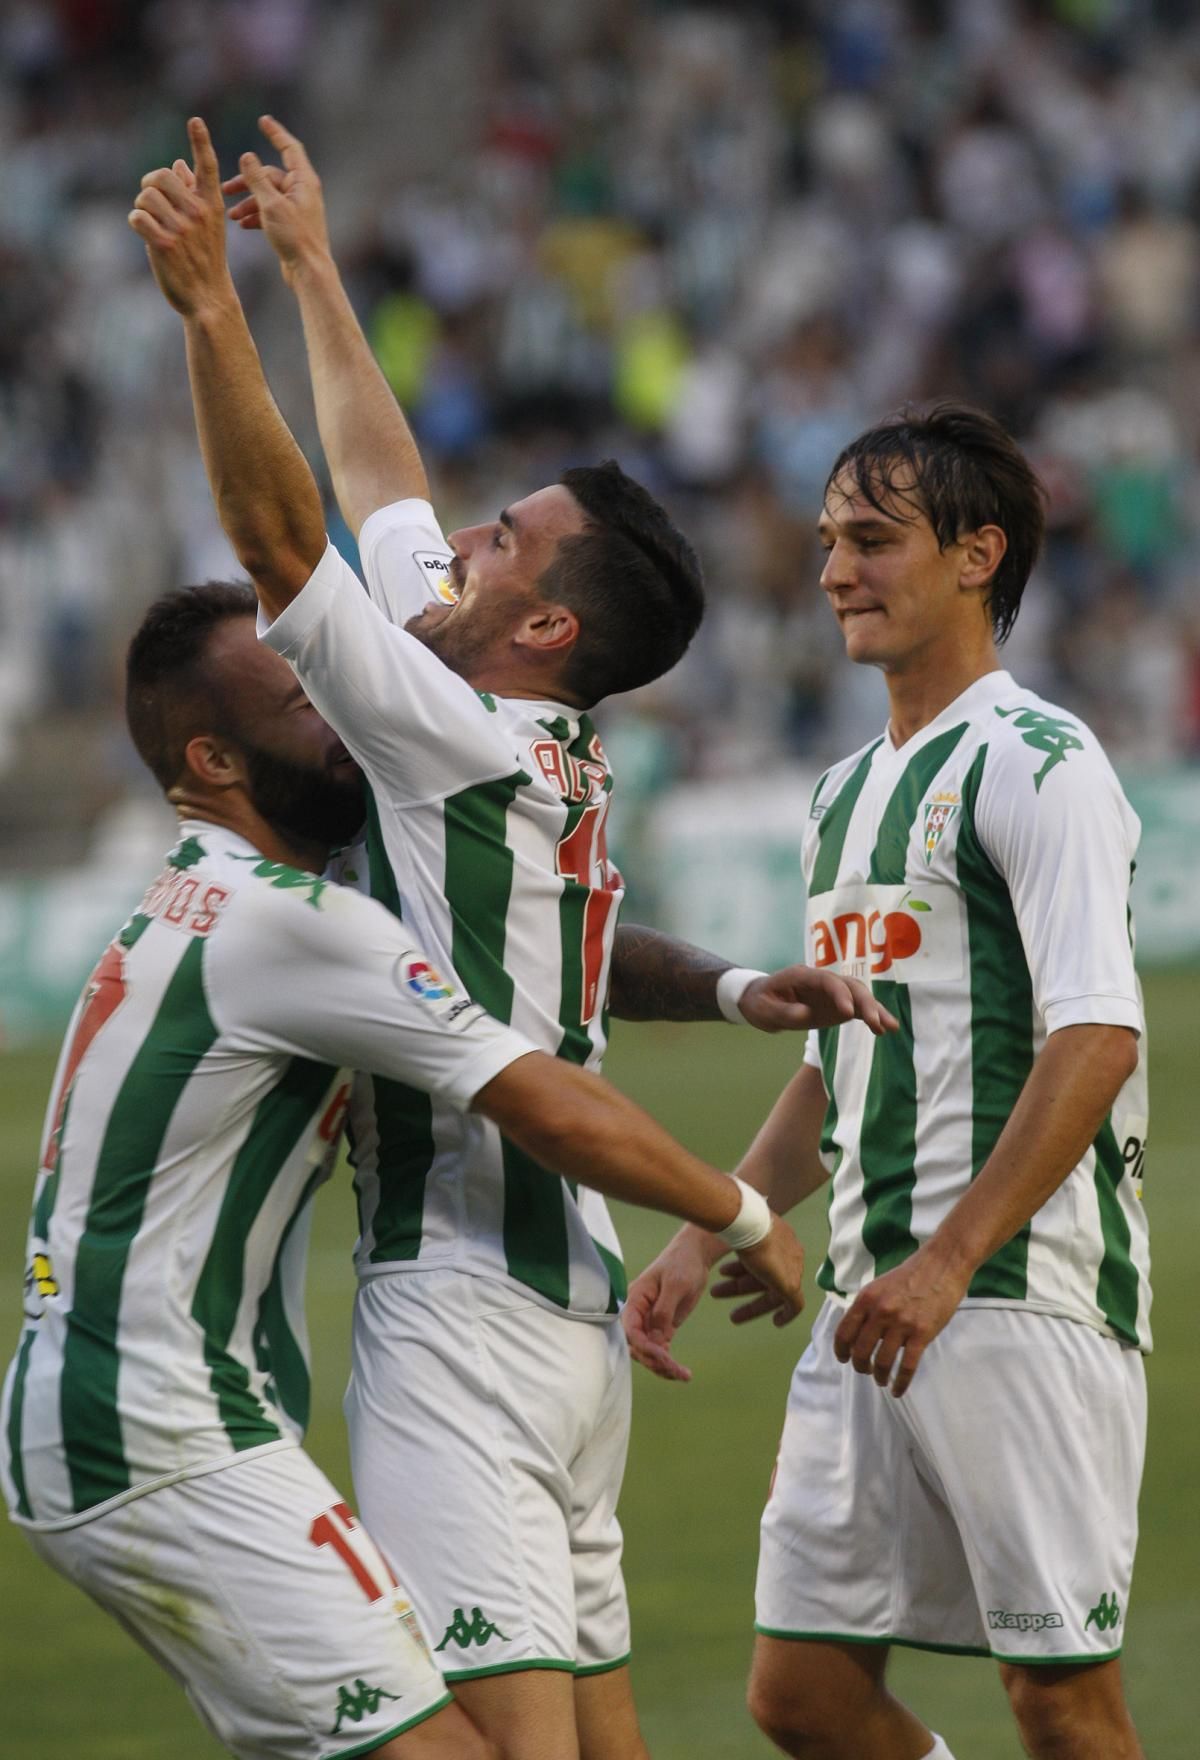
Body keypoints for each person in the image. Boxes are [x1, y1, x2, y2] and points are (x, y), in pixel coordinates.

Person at [127, 116, 894, 1760]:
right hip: (577, 1317)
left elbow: (286, 542)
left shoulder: (439, 726)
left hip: (457, 1314)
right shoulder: (527, 731)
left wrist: (215, 312)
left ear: (542, 623)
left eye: (500, 541)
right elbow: (387, 485)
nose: (457, 536)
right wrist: (320, 267)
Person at [1, 580, 813, 1760]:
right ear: (216, 757)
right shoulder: (279, 919)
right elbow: (541, 1096)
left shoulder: (243, 895)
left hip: (153, 1407)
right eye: (302, 696)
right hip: (152, 1424)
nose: (341, 711)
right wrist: (741, 1211)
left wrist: (730, 988)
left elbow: (536, 950)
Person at [625, 402, 1150, 1760]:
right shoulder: (842, 792)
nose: (832, 572)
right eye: (825, 541)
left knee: (1060, 1700)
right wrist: (708, 1226)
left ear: (979, 556)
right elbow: (836, 1064)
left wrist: (954, 1261)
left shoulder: (1041, 763)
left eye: (871, 538)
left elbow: (1096, 1034)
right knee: (799, 1695)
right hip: (875, 1307)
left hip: (1016, 1297)